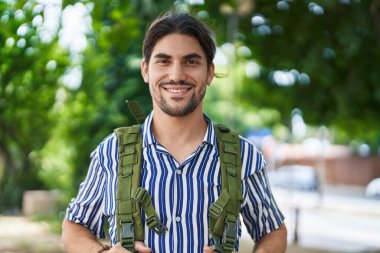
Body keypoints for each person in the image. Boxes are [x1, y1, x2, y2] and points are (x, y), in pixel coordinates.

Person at [61, 11, 287, 253]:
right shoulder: (111, 152)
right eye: (164, 61)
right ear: (146, 70)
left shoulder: (244, 156)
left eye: (191, 61)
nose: (177, 75)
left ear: (209, 72)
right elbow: (74, 227)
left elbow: (273, 232)